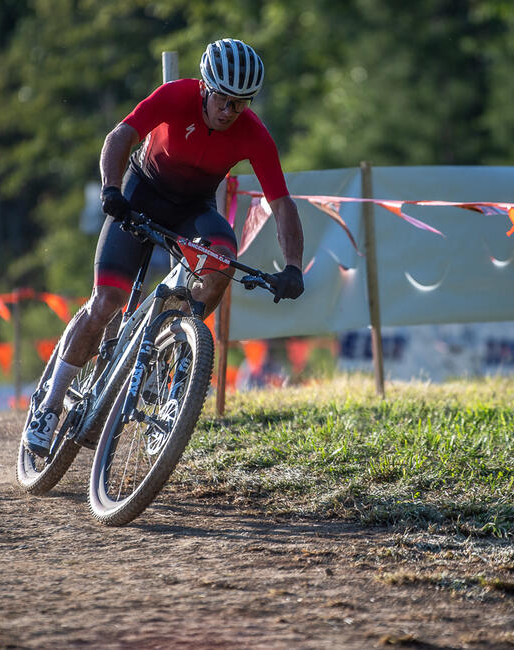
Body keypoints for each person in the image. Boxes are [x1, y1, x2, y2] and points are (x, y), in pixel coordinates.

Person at [22, 38, 305, 456]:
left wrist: (294, 266)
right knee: (106, 302)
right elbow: (120, 136)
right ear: (206, 89)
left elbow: (281, 204)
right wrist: (111, 189)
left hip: (192, 209)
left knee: (223, 259)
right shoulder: (176, 96)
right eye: (224, 100)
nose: (230, 111)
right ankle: (48, 406)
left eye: (241, 104)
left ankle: (174, 356)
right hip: (141, 193)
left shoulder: (253, 134)